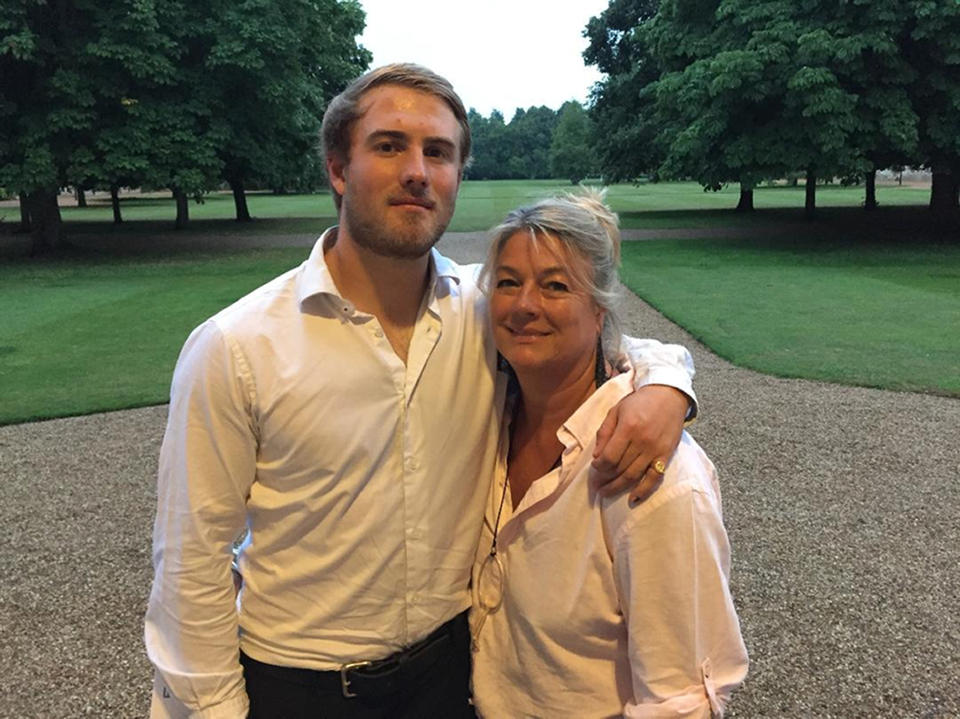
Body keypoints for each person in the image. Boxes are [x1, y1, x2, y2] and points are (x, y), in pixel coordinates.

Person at [145, 64, 698, 719]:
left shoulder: (480, 311)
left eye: (438, 152)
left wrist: (668, 382)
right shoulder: (237, 346)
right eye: (389, 145)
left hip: (446, 679)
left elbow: (581, 330)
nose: (417, 170)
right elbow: (191, 557)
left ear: (457, 175)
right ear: (337, 169)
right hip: (300, 688)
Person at [470, 191, 748, 718]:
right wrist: (669, 377)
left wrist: (668, 384)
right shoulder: (490, 414)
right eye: (508, 282)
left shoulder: (653, 478)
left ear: (599, 309)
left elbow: (680, 701)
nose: (525, 304)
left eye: (556, 286)